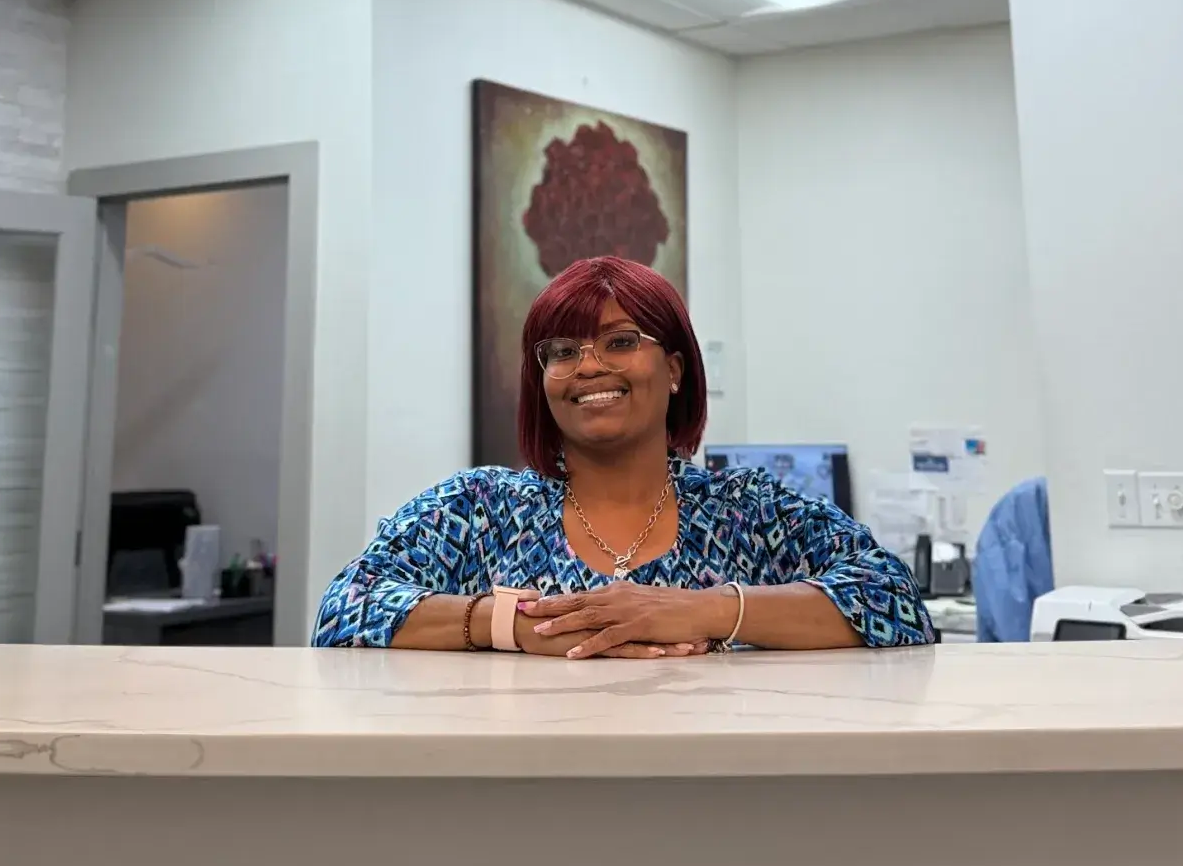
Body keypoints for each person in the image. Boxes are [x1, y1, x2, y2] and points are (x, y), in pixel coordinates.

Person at [314, 257, 934, 657]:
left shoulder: (750, 510)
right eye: (562, 351)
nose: (587, 365)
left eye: (619, 341)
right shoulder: (478, 510)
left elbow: (896, 601)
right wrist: (512, 626)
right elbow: (344, 610)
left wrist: (703, 611)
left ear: (673, 371)